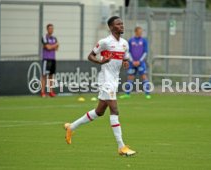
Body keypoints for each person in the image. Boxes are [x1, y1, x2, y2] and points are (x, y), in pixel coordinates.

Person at [64, 16, 136, 156]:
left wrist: (125, 63)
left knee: (99, 111)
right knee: (114, 110)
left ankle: (71, 127)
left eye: (122, 23)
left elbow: (125, 59)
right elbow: (90, 56)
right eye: (118, 24)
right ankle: (121, 146)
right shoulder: (104, 42)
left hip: (114, 80)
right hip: (105, 80)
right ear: (111, 27)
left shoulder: (125, 44)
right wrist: (100, 62)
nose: (121, 26)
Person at [120, 26, 151, 99]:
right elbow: (128, 52)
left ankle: (147, 94)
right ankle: (127, 94)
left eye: (141, 32)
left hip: (141, 63)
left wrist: (139, 61)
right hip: (132, 63)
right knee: (130, 77)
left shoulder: (144, 41)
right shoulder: (131, 41)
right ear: (136, 32)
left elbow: (145, 52)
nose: (141, 33)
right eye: (139, 32)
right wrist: (132, 61)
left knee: (144, 77)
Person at [40, 24, 59, 97]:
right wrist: (55, 45)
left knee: (51, 76)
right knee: (44, 75)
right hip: (46, 59)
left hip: (53, 59)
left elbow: (57, 49)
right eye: (50, 28)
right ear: (47, 29)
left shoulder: (54, 38)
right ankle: (42, 92)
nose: (51, 30)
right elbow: (48, 47)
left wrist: (53, 46)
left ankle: (50, 91)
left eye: (52, 28)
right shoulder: (44, 37)